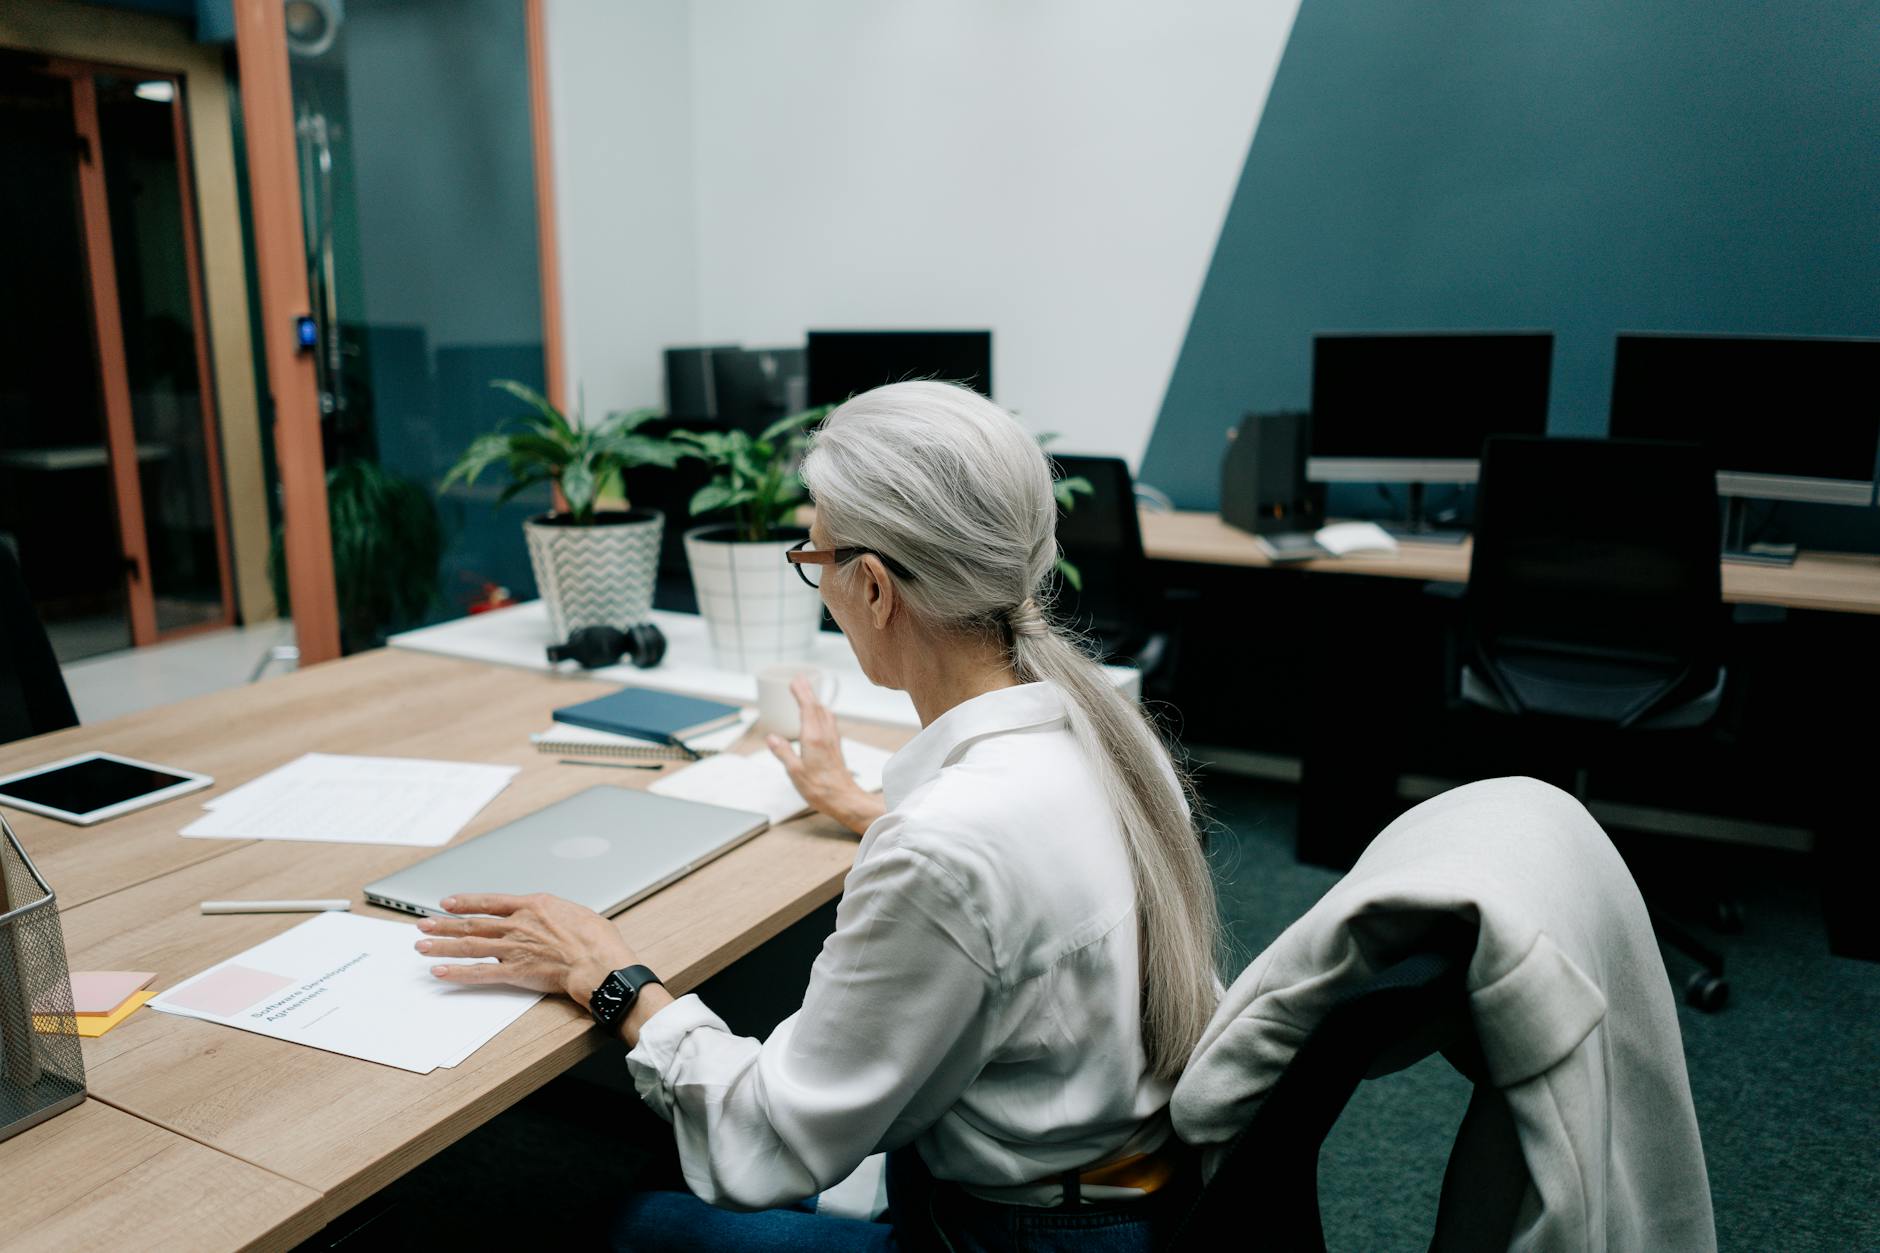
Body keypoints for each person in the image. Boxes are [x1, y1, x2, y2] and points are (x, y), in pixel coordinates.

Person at [415, 381, 1221, 1249]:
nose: (815, 574)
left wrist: (612, 978)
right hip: (1127, 1187)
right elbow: (1016, 883)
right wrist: (867, 807)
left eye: (815, 552)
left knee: (643, 1224)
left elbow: (764, 1143)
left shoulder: (949, 845)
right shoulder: (1100, 727)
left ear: (873, 587)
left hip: (1012, 1234)